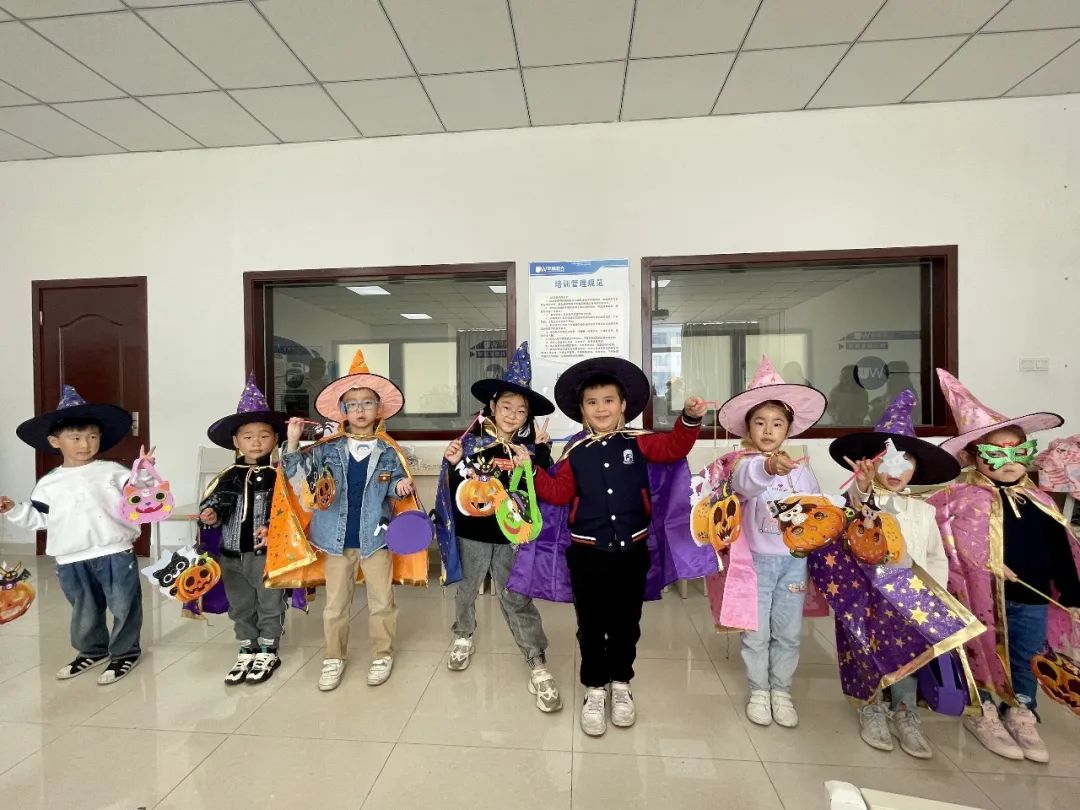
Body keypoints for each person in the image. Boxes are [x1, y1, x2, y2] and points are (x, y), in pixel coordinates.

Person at [512, 356, 714, 737]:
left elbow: (674, 447)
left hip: (632, 553)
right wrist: (531, 467)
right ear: (581, 409)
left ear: (623, 405)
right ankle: (594, 688)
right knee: (590, 625)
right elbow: (557, 492)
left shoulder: (640, 442)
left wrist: (689, 419)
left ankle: (621, 683)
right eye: (592, 402)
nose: (601, 408)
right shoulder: (575, 451)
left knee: (626, 623)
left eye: (608, 400)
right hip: (586, 555)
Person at [928, 369, 1080, 763]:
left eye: (1019, 451)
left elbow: (1060, 549)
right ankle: (984, 710)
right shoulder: (958, 500)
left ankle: (1023, 712)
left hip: (1033, 598)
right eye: (997, 453)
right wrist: (984, 564)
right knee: (983, 652)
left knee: (1028, 656)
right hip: (981, 600)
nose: (1010, 461)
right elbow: (946, 546)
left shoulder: (1040, 501)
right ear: (973, 457)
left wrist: (1073, 594)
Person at [821, 389, 976, 760]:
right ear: (872, 464)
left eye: (905, 461)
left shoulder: (923, 511)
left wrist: (933, 592)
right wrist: (862, 485)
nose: (895, 470)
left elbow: (935, 555)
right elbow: (857, 507)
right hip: (865, 595)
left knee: (908, 656)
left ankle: (905, 711)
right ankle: (871, 707)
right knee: (867, 652)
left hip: (911, 597)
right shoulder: (865, 502)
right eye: (887, 460)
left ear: (916, 470)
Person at [434, 342, 562, 712]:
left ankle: (536, 660)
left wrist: (540, 455)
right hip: (472, 534)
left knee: (516, 596)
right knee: (467, 589)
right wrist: (451, 463)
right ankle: (463, 634)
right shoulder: (470, 444)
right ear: (492, 406)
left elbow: (544, 487)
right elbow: (455, 490)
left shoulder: (528, 449)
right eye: (507, 407)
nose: (513, 415)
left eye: (521, 411)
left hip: (511, 538)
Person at [281, 350, 416, 691]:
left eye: (367, 403)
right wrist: (293, 442)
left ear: (378, 409)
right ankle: (333, 657)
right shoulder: (327, 449)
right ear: (342, 411)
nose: (360, 410)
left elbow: (394, 489)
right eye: (352, 404)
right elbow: (298, 478)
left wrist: (400, 486)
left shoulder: (388, 451)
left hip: (376, 538)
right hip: (335, 539)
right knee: (335, 605)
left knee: (382, 603)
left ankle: (382, 653)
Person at [0, 386, 149, 685]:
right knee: (84, 607)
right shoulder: (48, 484)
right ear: (55, 441)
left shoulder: (113, 471)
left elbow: (140, 497)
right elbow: (40, 519)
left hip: (115, 551)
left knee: (124, 604)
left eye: (92, 436)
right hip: (70, 557)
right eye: (76, 438)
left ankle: (125, 652)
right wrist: (13, 510)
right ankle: (92, 650)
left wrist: (144, 472)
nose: (85, 444)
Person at [709, 356, 828, 729]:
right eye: (759, 422)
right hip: (756, 565)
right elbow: (747, 483)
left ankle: (782, 690)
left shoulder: (802, 472)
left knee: (788, 632)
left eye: (777, 423)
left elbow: (816, 514)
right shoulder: (742, 465)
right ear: (748, 427)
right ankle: (759, 690)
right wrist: (768, 466)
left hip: (793, 562)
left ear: (788, 429)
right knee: (756, 632)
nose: (768, 430)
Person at [198, 373, 291, 685]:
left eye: (264, 436)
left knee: (270, 601)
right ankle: (247, 646)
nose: (256, 442)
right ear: (236, 442)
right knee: (240, 604)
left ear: (275, 439)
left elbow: (290, 512)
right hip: (231, 554)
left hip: (266, 555)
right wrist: (210, 514)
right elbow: (214, 504)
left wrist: (273, 528)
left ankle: (268, 647)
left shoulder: (280, 475)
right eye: (248, 436)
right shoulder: (228, 475)